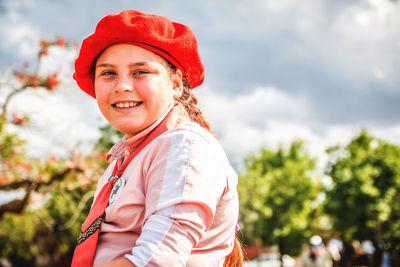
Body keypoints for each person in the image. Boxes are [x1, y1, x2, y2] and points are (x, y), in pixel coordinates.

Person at [70, 9, 242, 267]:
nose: (122, 86)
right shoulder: (125, 159)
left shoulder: (185, 146)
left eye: (140, 72)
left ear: (176, 84)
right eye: (108, 73)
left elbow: (155, 262)